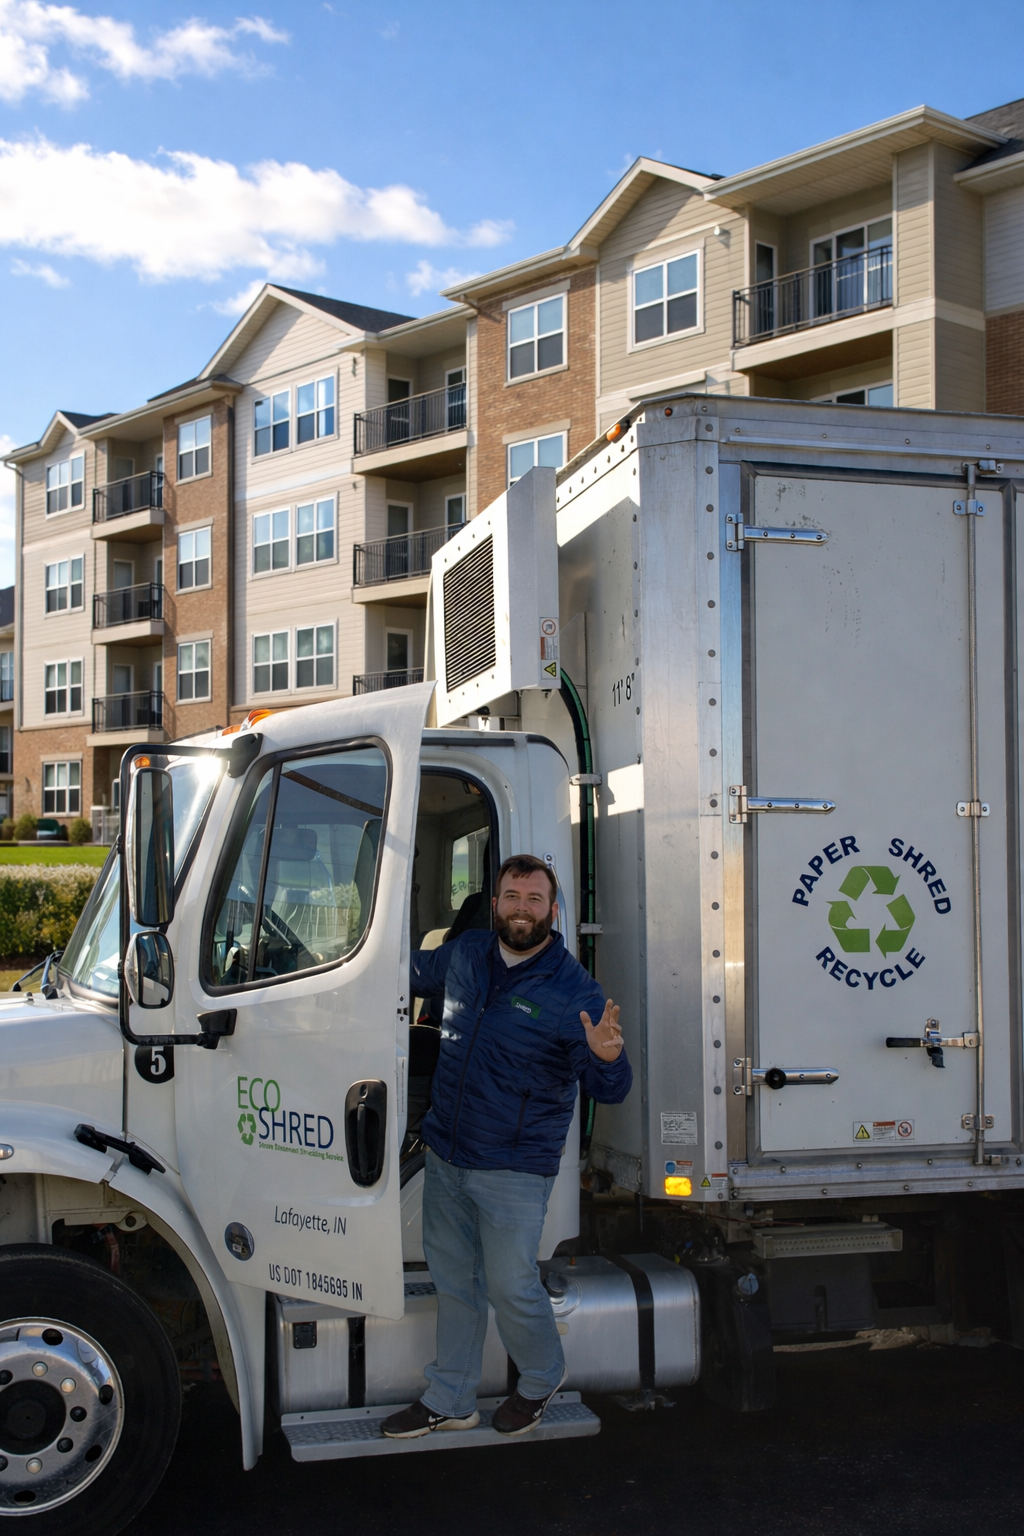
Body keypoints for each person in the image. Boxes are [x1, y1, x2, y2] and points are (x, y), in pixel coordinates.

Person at [381, 853, 632, 1439]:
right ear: (496, 904)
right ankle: (451, 1396)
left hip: (515, 1167)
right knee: (454, 1281)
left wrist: (608, 1058)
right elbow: (410, 971)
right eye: (512, 898)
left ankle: (542, 1379)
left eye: (534, 900)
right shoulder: (467, 953)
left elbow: (608, 1091)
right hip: (447, 1153)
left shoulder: (575, 991)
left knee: (510, 1284)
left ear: (552, 910)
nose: (522, 910)